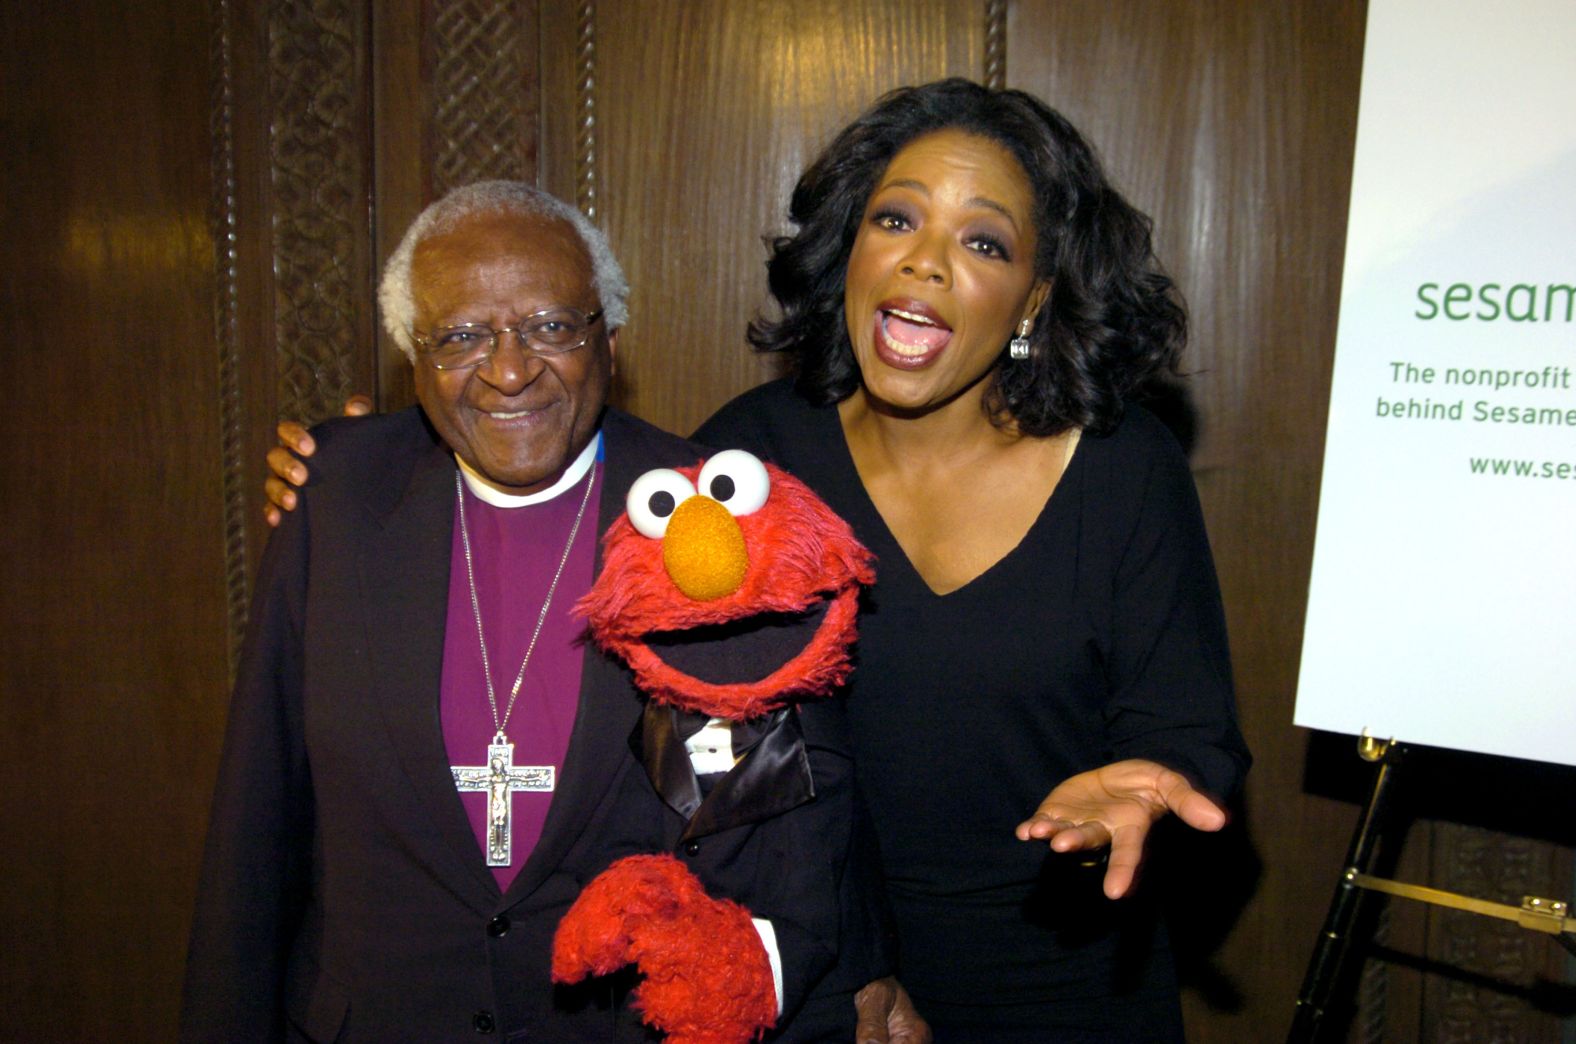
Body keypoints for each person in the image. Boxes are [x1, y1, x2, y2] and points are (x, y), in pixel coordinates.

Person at [269, 80, 1250, 1040]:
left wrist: (1146, 782)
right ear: (848, 253)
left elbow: (1190, 731)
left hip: (1067, 974)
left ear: (1034, 296)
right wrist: (375, 475)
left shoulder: (1123, 470)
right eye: (895, 221)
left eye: (982, 241)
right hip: (822, 973)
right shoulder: (747, 464)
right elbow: (603, 597)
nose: (926, 264)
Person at [185, 181, 916, 1042]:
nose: (508, 369)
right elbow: (258, 816)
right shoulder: (335, 497)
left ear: (608, 340)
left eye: (550, 327)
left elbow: (789, 831)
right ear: (411, 362)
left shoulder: (709, 524)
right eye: (460, 336)